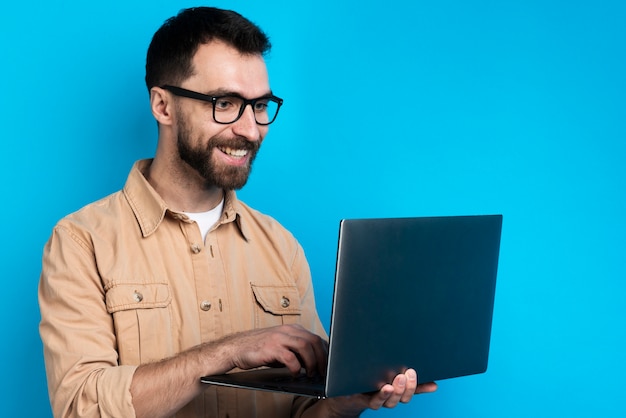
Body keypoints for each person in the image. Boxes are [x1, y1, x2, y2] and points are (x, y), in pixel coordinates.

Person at [38, 6, 437, 418]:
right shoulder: (81, 242)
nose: (250, 130)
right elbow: (79, 406)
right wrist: (230, 351)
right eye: (225, 103)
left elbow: (306, 409)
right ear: (163, 106)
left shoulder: (281, 247)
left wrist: (348, 399)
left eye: (260, 106)